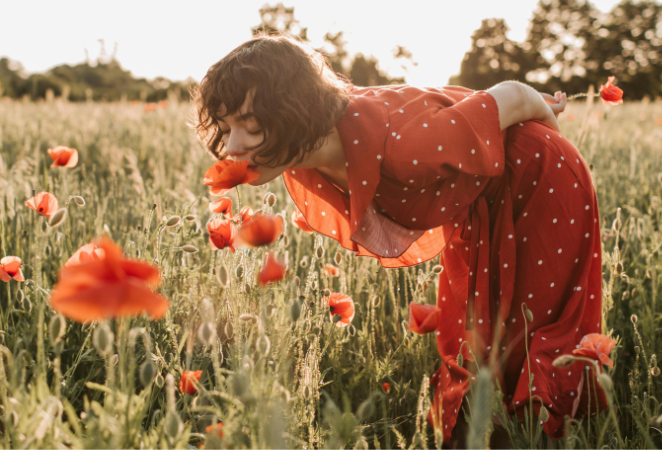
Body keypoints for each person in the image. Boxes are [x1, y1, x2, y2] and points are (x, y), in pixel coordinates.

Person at [189, 32, 608, 447]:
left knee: (530, 326)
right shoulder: (302, 153)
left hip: (541, 179)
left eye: (251, 125)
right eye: (227, 128)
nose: (233, 147)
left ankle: (542, 439)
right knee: (474, 329)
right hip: (481, 195)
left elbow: (514, 95)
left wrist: (552, 139)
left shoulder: (403, 145)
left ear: (294, 109)